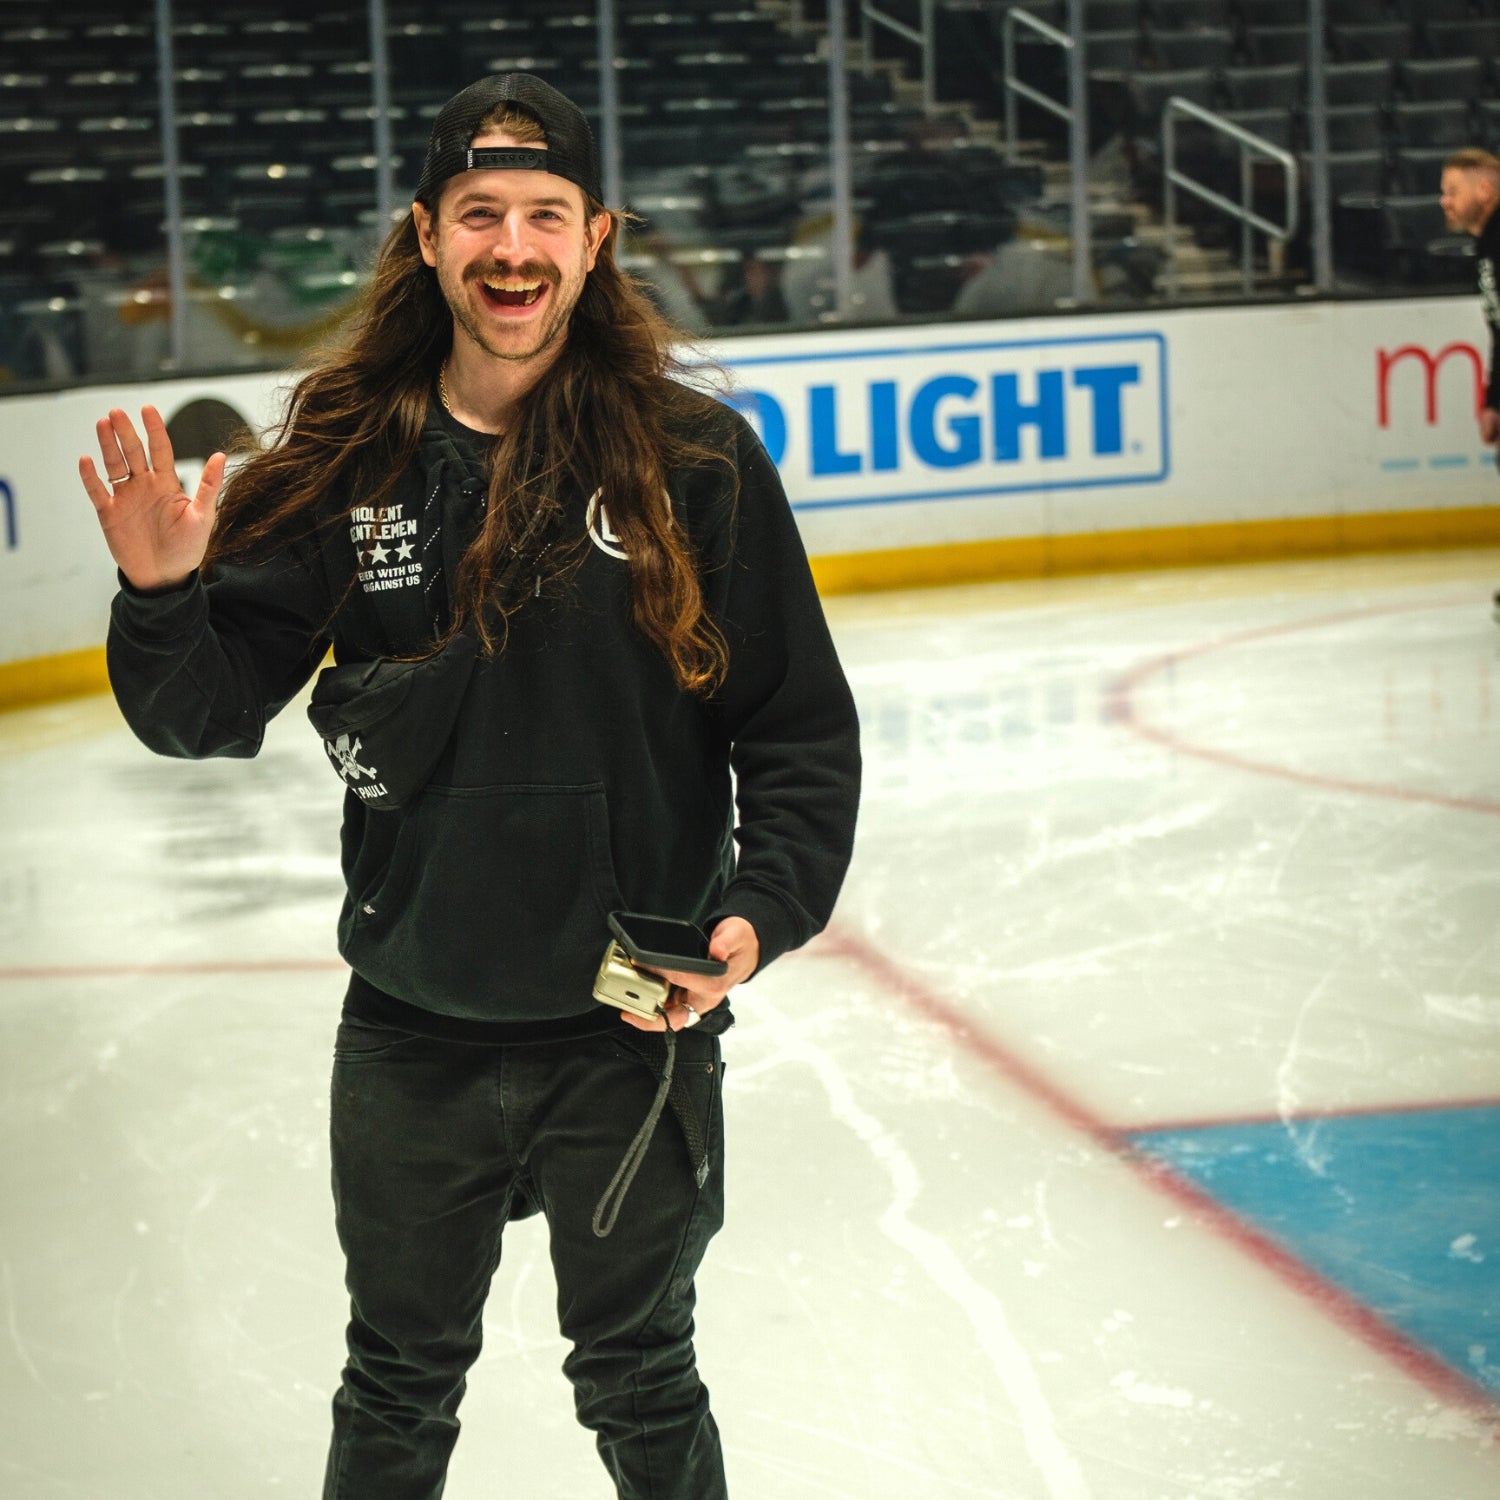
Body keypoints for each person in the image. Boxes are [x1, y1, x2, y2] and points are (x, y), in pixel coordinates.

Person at [79, 73, 860, 1500]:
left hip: (632, 1026)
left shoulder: (698, 463)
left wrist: (762, 910)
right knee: (395, 1383)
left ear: (598, 237)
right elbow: (199, 717)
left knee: (643, 1377)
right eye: (482, 214)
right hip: (414, 1030)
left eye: (546, 217)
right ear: (426, 234)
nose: (515, 248)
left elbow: (797, 729)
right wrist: (160, 592)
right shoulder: (345, 461)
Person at [1437, 147, 1500, 622]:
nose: (1444, 201)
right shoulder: (1488, 243)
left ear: (1486, 189)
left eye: (1453, 191)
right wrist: (1492, 399)